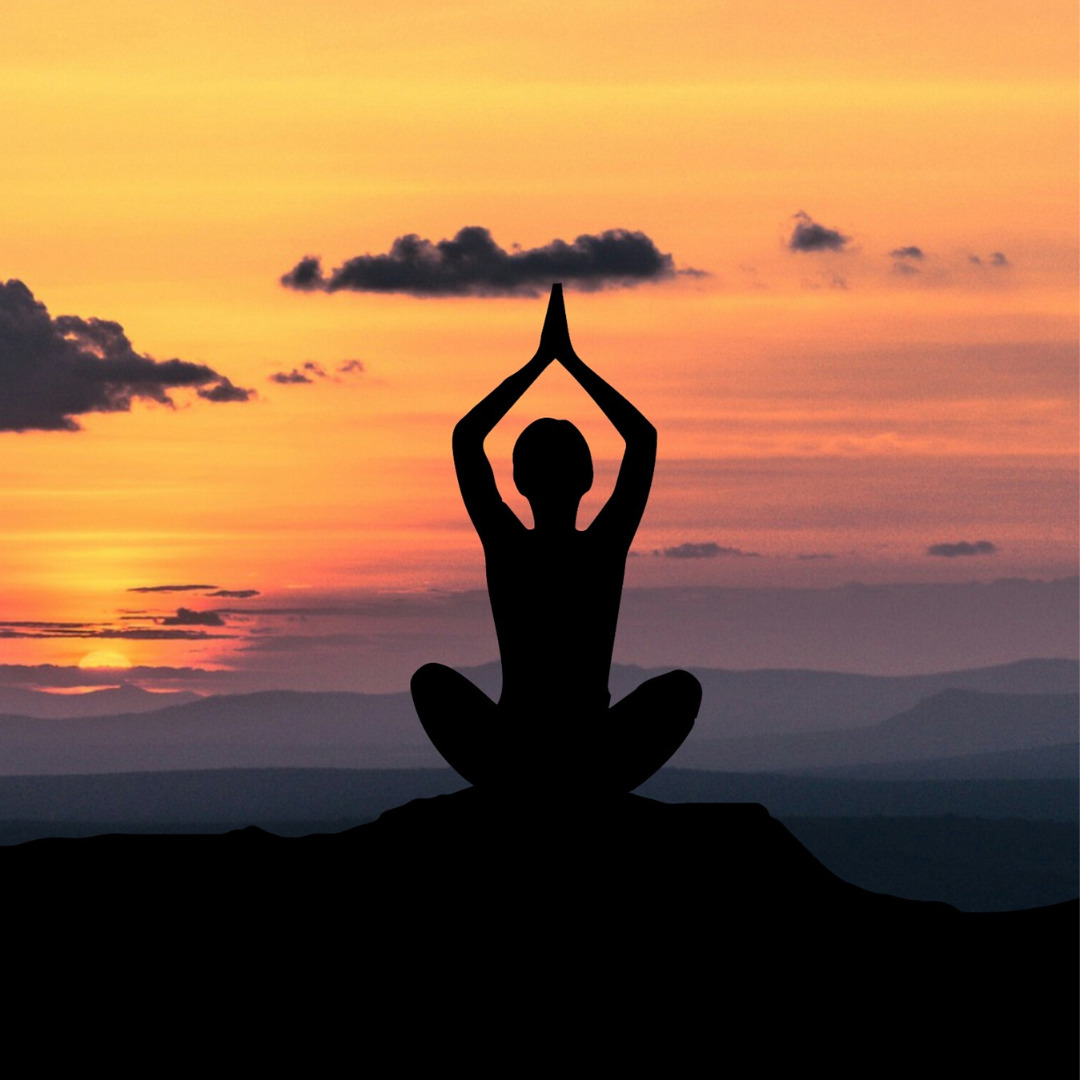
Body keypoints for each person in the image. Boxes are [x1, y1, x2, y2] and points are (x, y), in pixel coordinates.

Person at [411, 284, 701, 793]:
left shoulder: (508, 544)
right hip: (589, 749)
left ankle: (525, 785)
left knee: (430, 682)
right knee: (681, 691)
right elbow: (642, 439)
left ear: (519, 482)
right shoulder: (602, 547)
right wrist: (568, 362)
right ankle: (579, 786)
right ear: (588, 479)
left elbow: (466, 438)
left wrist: (542, 362)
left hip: (516, 748)